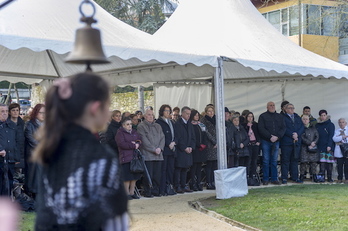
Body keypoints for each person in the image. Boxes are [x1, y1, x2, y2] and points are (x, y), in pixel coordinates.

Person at [33, 73, 128, 230]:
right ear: (96, 108)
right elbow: (116, 222)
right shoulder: (101, 157)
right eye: (108, 105)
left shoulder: (50, 147)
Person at [137, 109, 165, 197]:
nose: (151, 116)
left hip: (158, 155)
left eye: (152, 115)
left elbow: (162, 137)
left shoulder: (158, 126)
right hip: (148, 155)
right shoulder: (141, 126)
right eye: (149, 115)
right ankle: (147, 191)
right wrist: (154, 149)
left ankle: (155, 191)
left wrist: (160, 148)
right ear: (145, 116)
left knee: (157, 175)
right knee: (149, 175)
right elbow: (144, 140)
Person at [258, 101, 285, 185]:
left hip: (276, 141)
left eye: (273, 105)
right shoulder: (262, 116)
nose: (272, 106)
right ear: (267, 107)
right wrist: (270, 137)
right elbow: (261, 128)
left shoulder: (279, 116)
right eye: (270, 105)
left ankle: (274, 178)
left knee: (274, 160)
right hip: (266, 141)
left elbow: (283, 128)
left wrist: (277, 136)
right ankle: (265, 179)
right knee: (266, 160)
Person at [115, 117, 142, 200]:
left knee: (134, 176)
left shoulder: (134, 132)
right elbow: (122, 144)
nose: (130, 126)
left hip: (134, 157)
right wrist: (133, 145)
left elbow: (140, 140)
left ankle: (132, 192)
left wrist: (137, 143)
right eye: (127, 124)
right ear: (123, 125)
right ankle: (126, 194)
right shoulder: (120, 133)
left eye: (130, 124)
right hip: (125, 157)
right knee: (127, 177)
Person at [24, 103, 45, 198]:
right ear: (36, 113)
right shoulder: (29, 124)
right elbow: (31, 140)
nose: (43, 115)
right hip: (33, 154)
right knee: (33, 176)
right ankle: (32, 194)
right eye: (41, 113)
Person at [155, 105, 177, 196]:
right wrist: (169, 143)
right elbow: (161, 135)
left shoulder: (171, 122)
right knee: (163, 170)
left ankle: (169, 187)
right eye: (166, 110)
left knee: (170, 169)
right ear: (162, 112)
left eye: (169, 111)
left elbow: (176, 134)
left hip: (172, 149)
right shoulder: (159, 122)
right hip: (165, 148)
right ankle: (163, 189)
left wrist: (174, 142)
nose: (168, 112)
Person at [280, 103, 304, 184]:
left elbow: (302, 127)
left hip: (296, 142)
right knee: (285, 160)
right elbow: (283, 128)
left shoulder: (297, 117)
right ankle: (284, 177)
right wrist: (292, 134)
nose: (292, 109)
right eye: (290, 108)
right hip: (286, 142)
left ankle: (295, 177)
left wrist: (297, 134)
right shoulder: (283, 117)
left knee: (295, 160)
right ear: (285, 109)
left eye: (293, 108)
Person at [0, 104, 21, 195]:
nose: (4, 113)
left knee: (9, 181)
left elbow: (16, 142)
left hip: (10, 158)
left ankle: (7, 203)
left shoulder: (12, 125)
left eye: (6, 111)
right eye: (2, 111)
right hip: (1, 158)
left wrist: (16, 157)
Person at [174, 106, 195, 193]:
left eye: (189, 114)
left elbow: (193, 137)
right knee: (179, 168)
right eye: (187, 114)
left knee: (185, 168)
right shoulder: (177, 124)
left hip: (188, 150)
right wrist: (184, 147)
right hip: (181, 150)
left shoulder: (190, 124)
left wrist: (191, 147)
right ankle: (177, 186)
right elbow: (178, 138)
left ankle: (184, 185)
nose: (188, 115)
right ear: (182, 113)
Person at [189, 109, 208, 191]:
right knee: (194, 167)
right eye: (195, 115)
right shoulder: (190, 125)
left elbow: (204, 134)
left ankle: (198, 183)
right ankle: (193, 182)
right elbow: (191, 137)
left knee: (199, 167)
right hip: (195, 148)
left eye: (197, 115)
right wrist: (198, 144)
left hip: (201, 149)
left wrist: (204, 144)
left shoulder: (201, 125)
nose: (196, 117)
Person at [200, 105, 217, 189]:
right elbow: (206, 132)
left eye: (212, 111)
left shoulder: (216, 119)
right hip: (209, 144)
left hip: (216, 144)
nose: (211, 113)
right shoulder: (204, 120)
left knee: (214, 164)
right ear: (206, 112)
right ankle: (208, 182)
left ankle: (213, 181)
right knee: (209, 164)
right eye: (209, 111)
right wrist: (214, 141)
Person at [316, 109, 335, 183]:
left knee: (329, 163)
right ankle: (322, 177)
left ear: (326, 115)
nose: (323, 117)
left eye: (324, 115)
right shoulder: (317, 125)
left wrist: (329, 145)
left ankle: (330, 177)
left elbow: (331, 136)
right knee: (322, 163)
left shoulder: (330, 125)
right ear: (320, 116)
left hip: (328, 146)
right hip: (320, 146)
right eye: (321, 115)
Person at [243, 112, 261, 186]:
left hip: (255, 144)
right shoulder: (244, 126)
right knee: (248, 160)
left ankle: (252, 175)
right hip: (248, 144)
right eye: (249, 116)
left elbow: (259, 133)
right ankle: (247, 176)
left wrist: (258, 141)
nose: (250, 118)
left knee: (254, 160)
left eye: (251, 116)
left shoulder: (255, 125)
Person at [300, 115, 319, 182]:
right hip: (304, 147)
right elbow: (301, 137)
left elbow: (317, 136)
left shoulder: (313, 127)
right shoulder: (300, 127)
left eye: (306, 119)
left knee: (313, 162)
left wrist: (314, 143)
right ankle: (302, 176)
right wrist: (309, 143)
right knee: (303, 163)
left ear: (309, 120)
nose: (305, 120)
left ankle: (314, 176)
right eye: (304, 119)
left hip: (313, 147)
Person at [8, 103, 25, 168]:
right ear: (10, 112)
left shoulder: (22, 123)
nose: (15, 112)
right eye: (13, 110)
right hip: (10, 151)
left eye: (17, 110)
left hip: (21, 149)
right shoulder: (6, 123)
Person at [332, 118, 348, 184]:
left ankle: (347, 178)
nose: (341, 124)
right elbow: (334, 139)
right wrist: (342, 137)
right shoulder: (337, 131)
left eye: (343, 122)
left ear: (345, 123)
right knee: (339, 166)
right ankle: (340, 178)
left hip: (347, 150)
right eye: (340, 122)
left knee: (347, 165)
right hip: (339, 150)